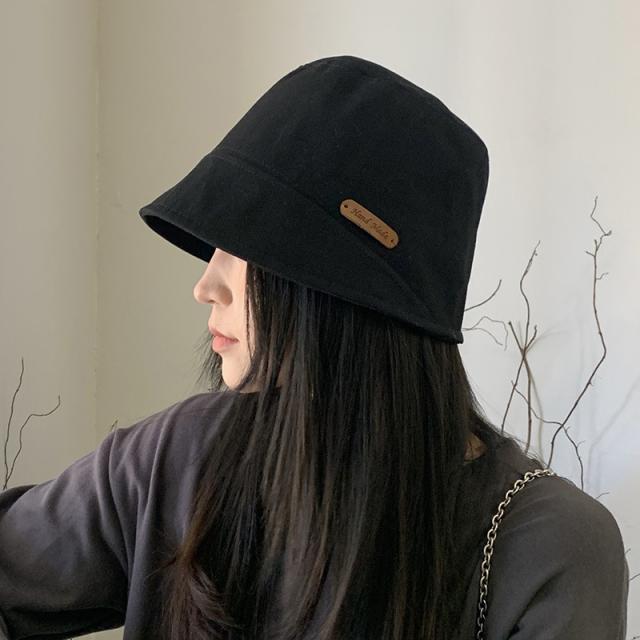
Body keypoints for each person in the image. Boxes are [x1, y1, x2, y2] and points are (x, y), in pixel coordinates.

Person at [0, 55, 628, 640]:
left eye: (245, 243)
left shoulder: (549, 549)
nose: (206, 284)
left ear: (342, 290)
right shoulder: (176, 460)